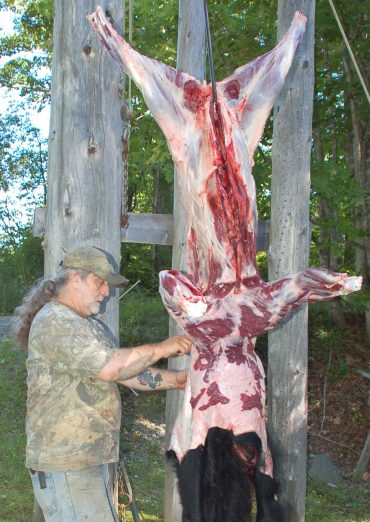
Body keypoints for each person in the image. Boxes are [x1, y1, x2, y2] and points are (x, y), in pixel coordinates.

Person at [13, 245, 192, 522]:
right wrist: (162, 348)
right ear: (75, 279)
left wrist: (177, 380)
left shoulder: (87, 325)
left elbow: (125, 372)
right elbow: (110, 367)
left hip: (87, 461)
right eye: (100, 282)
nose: (106, 291)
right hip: (68, 465)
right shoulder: (56, 321)